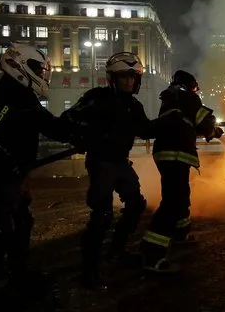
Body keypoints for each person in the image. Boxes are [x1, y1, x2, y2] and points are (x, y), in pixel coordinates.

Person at [62, 52, 173, 288]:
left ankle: (117, 250)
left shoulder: (133, 105)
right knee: (101, 216)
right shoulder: (96, 98)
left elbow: (145, 130)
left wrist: (167, 121)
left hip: (120, 162)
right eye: (124, 77)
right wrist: (82, 135)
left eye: (133, 78)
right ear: (113, 78)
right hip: (101, 162)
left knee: (136, 205)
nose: (130, 82)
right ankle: (89, 270)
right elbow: (68, 119)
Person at [0, 44, 73, 297]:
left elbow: (51, 126)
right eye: (37, 68)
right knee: (0, 229)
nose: (42, 74)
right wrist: (9, 165)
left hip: (12, 176)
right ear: (19, 65)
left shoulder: (23, 97)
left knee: (20, 223)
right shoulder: (6, 97)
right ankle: (1, 282)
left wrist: (78, 130)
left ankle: (17, 274)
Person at [141, 70, 223, 272]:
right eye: (195, 88)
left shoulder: (172, 98)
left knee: (181, 195)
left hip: (169, 153)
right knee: (172, 202)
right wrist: (213, 129)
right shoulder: (187, 96)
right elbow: (202, 119)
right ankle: (152, 256)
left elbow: (185, 123)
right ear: (190, 85)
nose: (196, 92)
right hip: (175, 154)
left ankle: (181, 234)